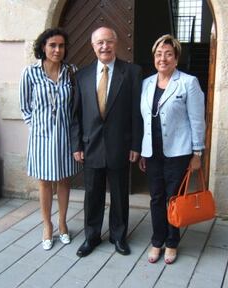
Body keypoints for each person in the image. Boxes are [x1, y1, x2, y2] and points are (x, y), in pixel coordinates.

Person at [71, 26, 143, 257]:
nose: (105, 46)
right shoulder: (81, 75)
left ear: (116, 43)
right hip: (90, 146)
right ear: (93, 46)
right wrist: (77, 145)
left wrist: (136, 145)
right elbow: (76, 115)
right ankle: (91, 237)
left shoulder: (132, 73)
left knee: (120, 195)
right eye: (100, 42)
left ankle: (118, 236)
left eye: (109, 41)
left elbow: (136, 112)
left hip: (120, 146)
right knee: (92, 195)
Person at [138, 34, 205, 264]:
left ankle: (172, 242)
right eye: (158, 54)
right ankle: (157, 240)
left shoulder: (188, 82)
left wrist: (197, 153)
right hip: (153, 152)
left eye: (168, 54)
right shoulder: (146, 83)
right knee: (156, 197)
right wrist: (143, 150)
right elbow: (144, 119)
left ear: (176, 59)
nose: (162, 58)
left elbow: (197, 120)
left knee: (173, 198)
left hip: (178, 152)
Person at [19, 28, 80, 251]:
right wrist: (37, 126)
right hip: (42, 138)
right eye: (52, 45)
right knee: (44, 182)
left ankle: (63, 223)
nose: (57, 50)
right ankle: (47, 225)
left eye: (61, 46)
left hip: (65, 136)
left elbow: (76, 105)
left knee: (64, 180)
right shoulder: (30, 73)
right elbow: (25, 107)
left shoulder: (72, 71)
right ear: (43, 47)